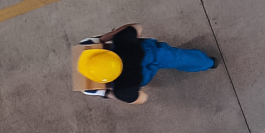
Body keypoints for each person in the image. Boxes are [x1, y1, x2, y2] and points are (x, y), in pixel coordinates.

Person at [77, 24, 216, 104]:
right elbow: (137, 27)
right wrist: (106, 37)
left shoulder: (122, 90)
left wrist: (108, 94)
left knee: (170, 61)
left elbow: (142, 98)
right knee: (177, 57)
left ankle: (207, 63)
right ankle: (208, 63)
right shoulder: (121, 40)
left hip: (143, 76)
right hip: (151, 52)